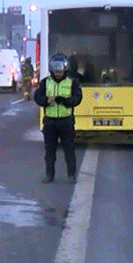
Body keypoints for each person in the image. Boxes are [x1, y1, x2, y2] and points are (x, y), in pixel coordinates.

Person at [33, 53, 83, 182]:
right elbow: (37, 97)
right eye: (56, 71)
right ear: (52, 70)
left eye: (60, 71)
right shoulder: (45, 82)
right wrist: (46, 100)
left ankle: (71, 175)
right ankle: (50, 175)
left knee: (69, 149)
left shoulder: (72, 82)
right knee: (50, 151)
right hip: (50, 121)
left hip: (66, 121)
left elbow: (77, 98)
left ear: (65, 70)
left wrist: (65, 101)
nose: (58, 73)